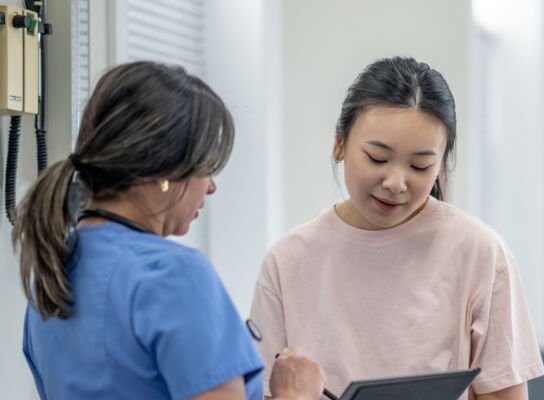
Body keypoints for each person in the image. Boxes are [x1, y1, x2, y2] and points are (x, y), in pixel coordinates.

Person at [14, 61, 324, 400]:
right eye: (206, 167)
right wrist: (296, 395)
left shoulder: (50, 277)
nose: (210, 187)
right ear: (164, 168)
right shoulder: (173, 275)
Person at [249, 56, 544, 400]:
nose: (395, 183)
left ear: (440, 166)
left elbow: (502, 394)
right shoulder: (288, 261)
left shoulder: (480, 253)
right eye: (377, 158)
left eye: (420, 166)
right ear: (340, 143)